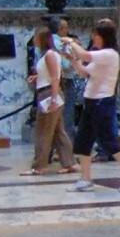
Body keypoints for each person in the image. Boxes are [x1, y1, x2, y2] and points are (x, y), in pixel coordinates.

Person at [63, 22, 120, 193]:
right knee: (83, 141)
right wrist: (73, 60)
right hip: (91, 103)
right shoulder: (100, 55)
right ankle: (85, 179)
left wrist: (70, 42)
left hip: (102, 103)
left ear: (104, 37)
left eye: (96, 35)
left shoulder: (110, 54)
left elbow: (85, 55)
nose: (93, 38)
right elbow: (85, 72)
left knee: (108, 141)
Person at [21, 27, 77, 177]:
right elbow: (49, 75)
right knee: (58, 132)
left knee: (42, 131)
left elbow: (55, 77)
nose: (34, 40)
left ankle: (38, 166)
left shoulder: (50, 55)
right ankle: (69, 162)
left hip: (49, 94)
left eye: (36, 37)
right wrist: (37, 78)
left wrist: (53, 98)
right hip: (48, 91)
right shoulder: (47, 55)